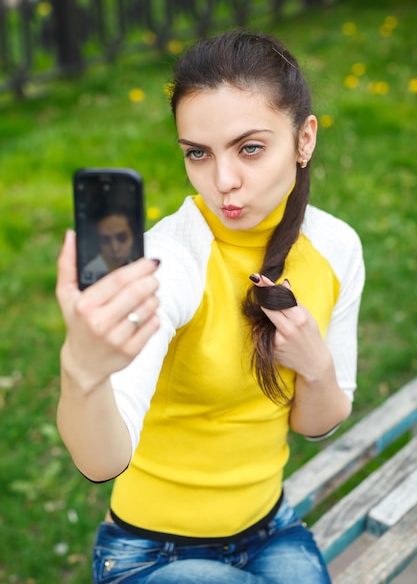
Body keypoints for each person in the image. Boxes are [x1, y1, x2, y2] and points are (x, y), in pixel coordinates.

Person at [56, 30, 365, 584]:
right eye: (198, 153)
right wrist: (83, 369)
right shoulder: (170, 261)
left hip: (272, 529)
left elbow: (318, 423)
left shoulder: (336, 248)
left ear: (304, 139)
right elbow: (101, 462)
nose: (223, 182)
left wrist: (315, 365)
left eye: (250, 148)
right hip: (150, 555)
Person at [80, 209, 136, 285]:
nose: (115, 248)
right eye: (105, 240)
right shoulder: (90, 273)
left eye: (122, 238)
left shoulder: (138, 265)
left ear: (134, 237)